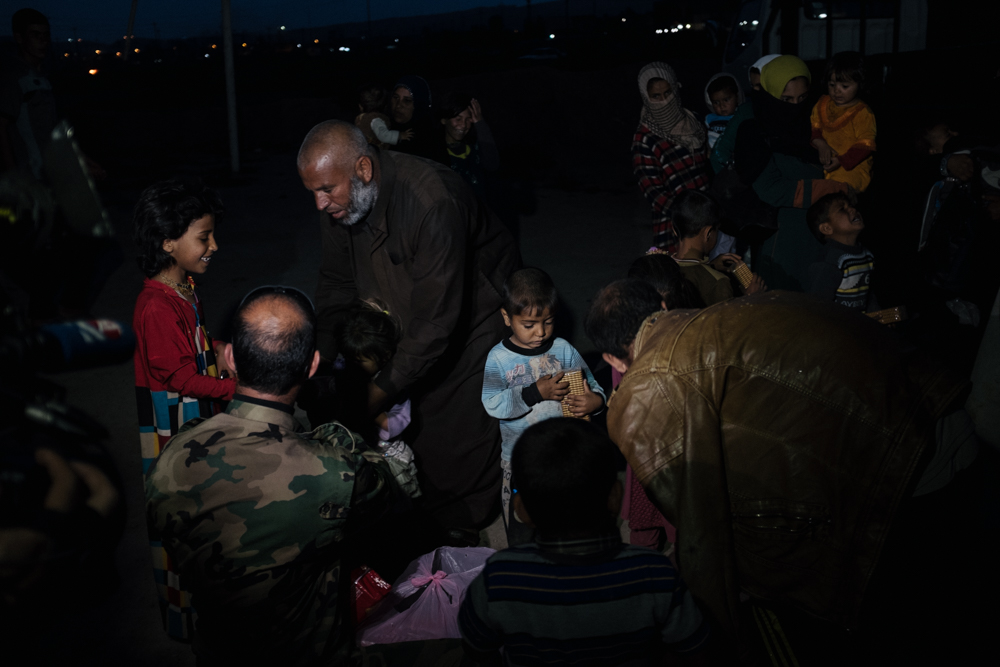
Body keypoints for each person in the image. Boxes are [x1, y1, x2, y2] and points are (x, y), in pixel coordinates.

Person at [584, 280, 971, 656]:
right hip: (935, 410)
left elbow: (700, 531)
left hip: (903, 470)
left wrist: (719, 636)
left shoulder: (648, 385)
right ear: (662, 306)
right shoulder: (732, 311)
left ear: (612, 358)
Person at [145, 286, 398, 665]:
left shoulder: (172, 460)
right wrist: (333, 433)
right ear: (312, 366)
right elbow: (387, 492)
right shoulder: (335, 471)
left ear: (231, 358)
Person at [298, 120, 519, 538]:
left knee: (452, 439)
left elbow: (436, 325)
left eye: (326, 189)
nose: (319, 203)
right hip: (400, 318)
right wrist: (323, 362)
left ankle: (461, 533)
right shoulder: (340, 203)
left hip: (469, 322)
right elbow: (336, 284)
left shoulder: (432, 200)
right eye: (312, 191)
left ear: (363, 169)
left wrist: (375, 394)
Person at [458, 418, 712, 666]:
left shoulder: (499, 576)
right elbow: (695, 650)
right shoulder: (655, 571)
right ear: (616, 496)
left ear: (521, 510)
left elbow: (477, 651)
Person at [131, 178, 236, 641]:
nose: (214, 246)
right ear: (167, 242)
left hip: (195, 418)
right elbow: (177, 376)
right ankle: (193, 622)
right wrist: (234, 388)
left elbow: (193, 346)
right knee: (184, 521)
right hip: (173, 427)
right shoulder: (156, 306)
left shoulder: (184, 286)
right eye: (204, 237)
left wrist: (221, 349)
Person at [481, 268, 605, 544]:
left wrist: (595, 401)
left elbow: (593, 386)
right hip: (521, 458)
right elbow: (492, 403)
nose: (540, 332)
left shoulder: (563, 350)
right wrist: (534, 393)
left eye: (548, 322)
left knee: (567, 517)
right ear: (507, 317)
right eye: (529, 325)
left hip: (565, 454)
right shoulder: (499, 359)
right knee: (523, 520)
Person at [632, 61, 712, 253]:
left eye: (668, 93)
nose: (664, 100)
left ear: (676, 88)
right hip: (675, 228)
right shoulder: (645, 138)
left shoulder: (693, 121)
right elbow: (654, 192)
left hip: (709, 219)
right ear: (646, 97)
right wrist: (688, 217)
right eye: (656, 96)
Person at [671, 190, 765, 305]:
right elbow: (726, 316)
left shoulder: (660, 266)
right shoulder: (718, 282)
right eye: (717, 230)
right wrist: (751, 297)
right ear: (708, 233)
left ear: (674, 229)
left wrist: (710, 266)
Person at [810, 52, 876, 192]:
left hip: (850, 170)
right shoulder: (822, 104)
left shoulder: (863, 113)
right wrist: (821, 144)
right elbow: (814, 128)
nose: (836, 91)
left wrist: (841, 161)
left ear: (860, 84)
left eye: (844, 86)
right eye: (832, 85)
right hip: (824, 167)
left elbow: (865, 145)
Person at [0, 8, 54, 177]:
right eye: (35, 35)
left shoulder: (42, 77)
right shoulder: (15, 78)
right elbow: (1, 127)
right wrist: (15, 177)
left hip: (49, 174)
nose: (43, 41)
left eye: (46, 35)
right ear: (19, 38)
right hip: (29, 176)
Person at [806, 192, 878, 311]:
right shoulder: (830, 261)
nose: (853, 209)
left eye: (850, 205)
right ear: (827, 228)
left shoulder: (867, 255)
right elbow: (818, 305)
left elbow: (869, 294)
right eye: (842, 209)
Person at [438, 92, 499, 202]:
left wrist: (480, 123)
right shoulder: (436, 153)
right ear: (444, 120)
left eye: (468, 119)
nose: (463, 125)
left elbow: (492, 164)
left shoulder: (474, 149)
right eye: (458, 119)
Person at [388, 75, 444, 162]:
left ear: (418, 105)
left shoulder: (428, 141)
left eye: (407, 100)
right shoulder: (382, 126)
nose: (398, 105)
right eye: (396, 97)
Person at [355, 83, 412, 149]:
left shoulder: (360, 118)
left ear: (360, 106)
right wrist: (400, 135)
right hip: (373, 151)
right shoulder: (375, 120)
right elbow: (384, 136)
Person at [703, 73, 744, 149]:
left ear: (737, 97)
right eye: (716, 102)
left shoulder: (741, 117)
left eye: (726, 100)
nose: (722, 106)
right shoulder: (709, 119)